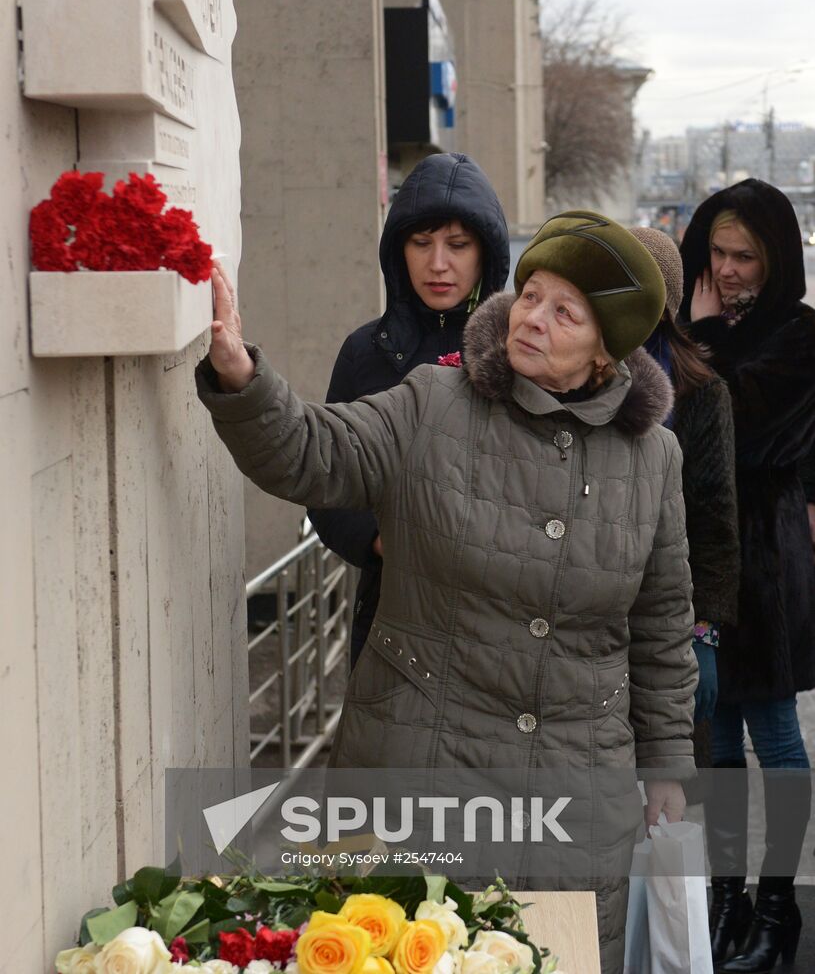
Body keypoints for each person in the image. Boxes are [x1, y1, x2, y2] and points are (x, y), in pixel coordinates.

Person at [196, 211, 699, 974]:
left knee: (553, 957)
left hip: (575, 783)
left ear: (606, 350)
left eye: (565, 311)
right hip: (421, 760)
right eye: (531, 294)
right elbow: (311, 452)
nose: (532, 318)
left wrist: (665, 765)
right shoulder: (433, 402)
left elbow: (660, 625)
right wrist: (241, 376)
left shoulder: (653, 457)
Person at [677, 179, 815, 972]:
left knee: (773, 734)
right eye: (718, 254)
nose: (728, 271)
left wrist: (702, 342)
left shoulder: (796, 335)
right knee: (714, 735)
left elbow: (742, 435)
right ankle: (725, 896)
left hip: (764, 562)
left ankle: (776, 906)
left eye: (745, 257)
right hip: (706, 561)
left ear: (774, 261)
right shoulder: (693, 329)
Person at [306, 153, 509, 670]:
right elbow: (325, 480)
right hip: (392, 616)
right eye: (421, 243)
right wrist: (380, 542)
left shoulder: (519, 349)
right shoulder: (365, 352)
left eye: (458, 245)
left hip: (502, 619)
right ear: (399, 250)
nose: (438, 263)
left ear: (487, 253)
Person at [632, 228, 739, 730]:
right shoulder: (580, 372)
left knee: (663, 782)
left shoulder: (701, 391)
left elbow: (714, 520)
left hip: (670, 619)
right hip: (591, 619)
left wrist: (704, 634)